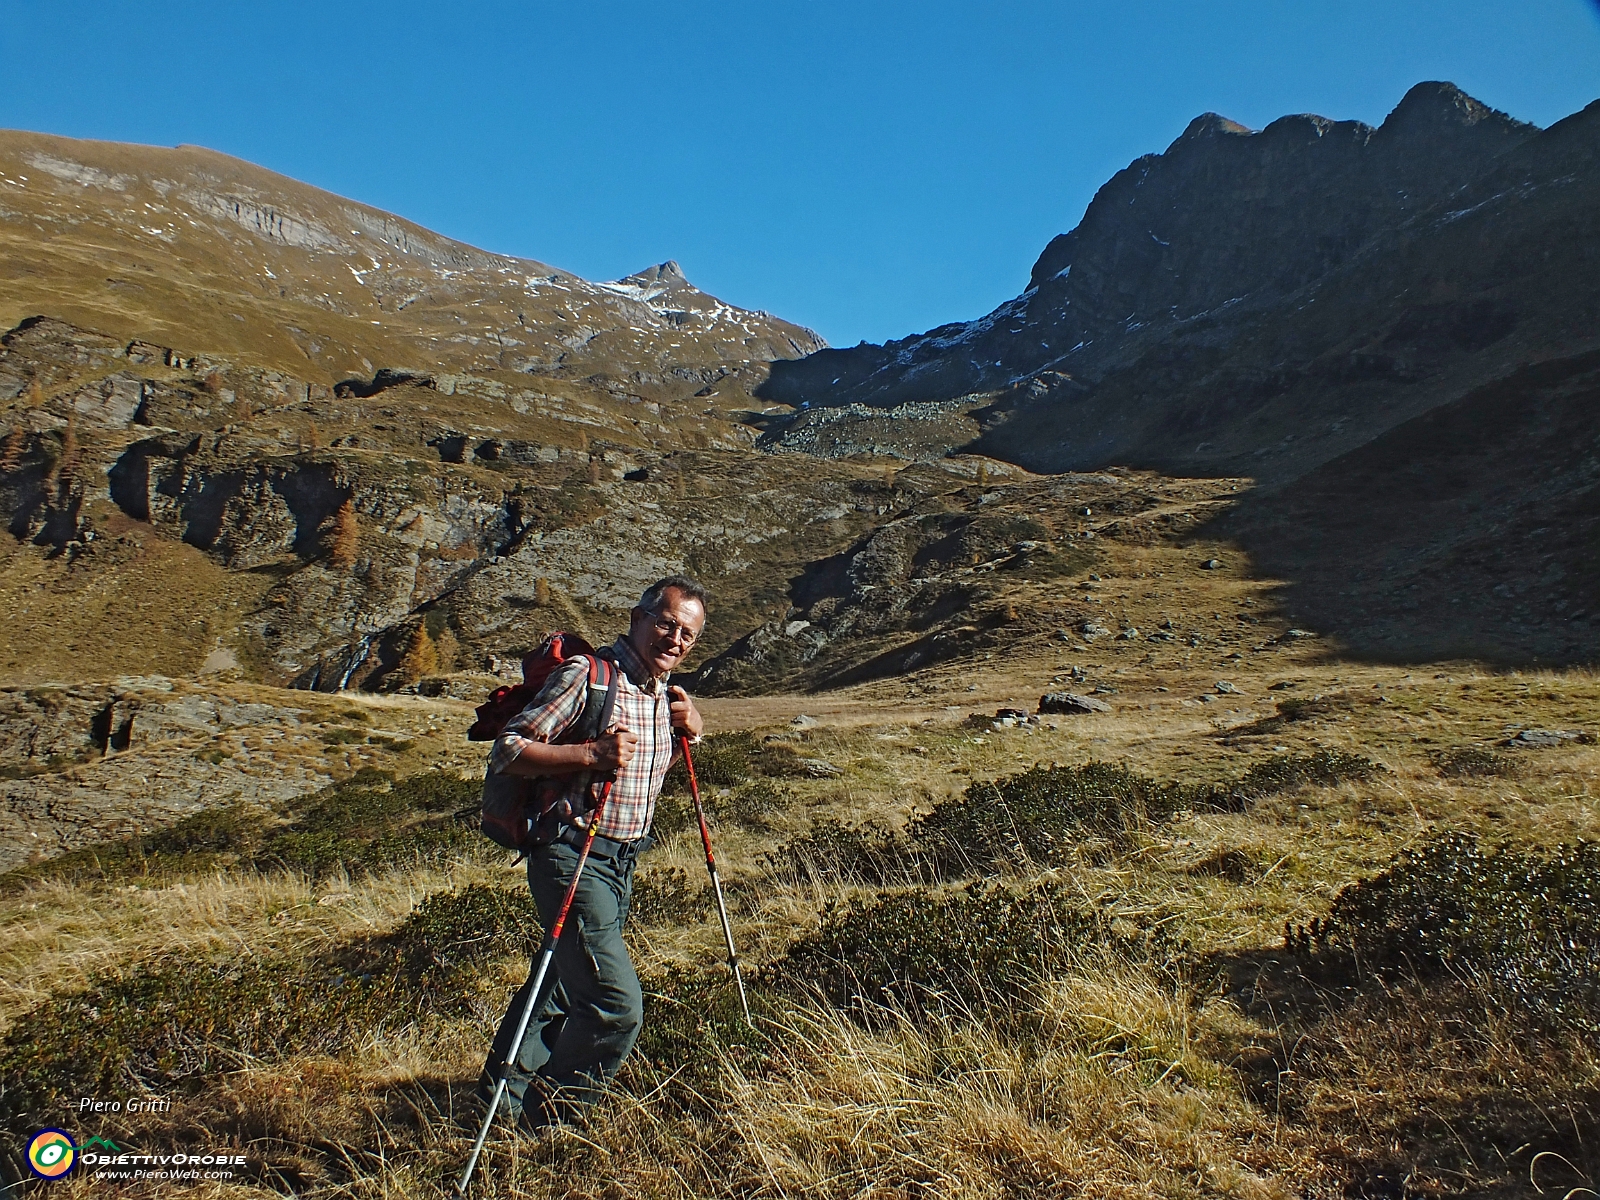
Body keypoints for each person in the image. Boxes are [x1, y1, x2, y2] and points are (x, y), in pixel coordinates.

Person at [477, 574, 707, 1130]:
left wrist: (693, 732)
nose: (674, 639)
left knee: (556, 985)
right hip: (571, 853)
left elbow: (644, 771)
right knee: (614, 1004)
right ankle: (551, 1121)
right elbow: (509, 750)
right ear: (638, 616)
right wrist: (589, 753)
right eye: (666, 623)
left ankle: (497, 1104)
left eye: (688, 635)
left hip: (622, 859)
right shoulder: (587, 677)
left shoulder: (665, 695)